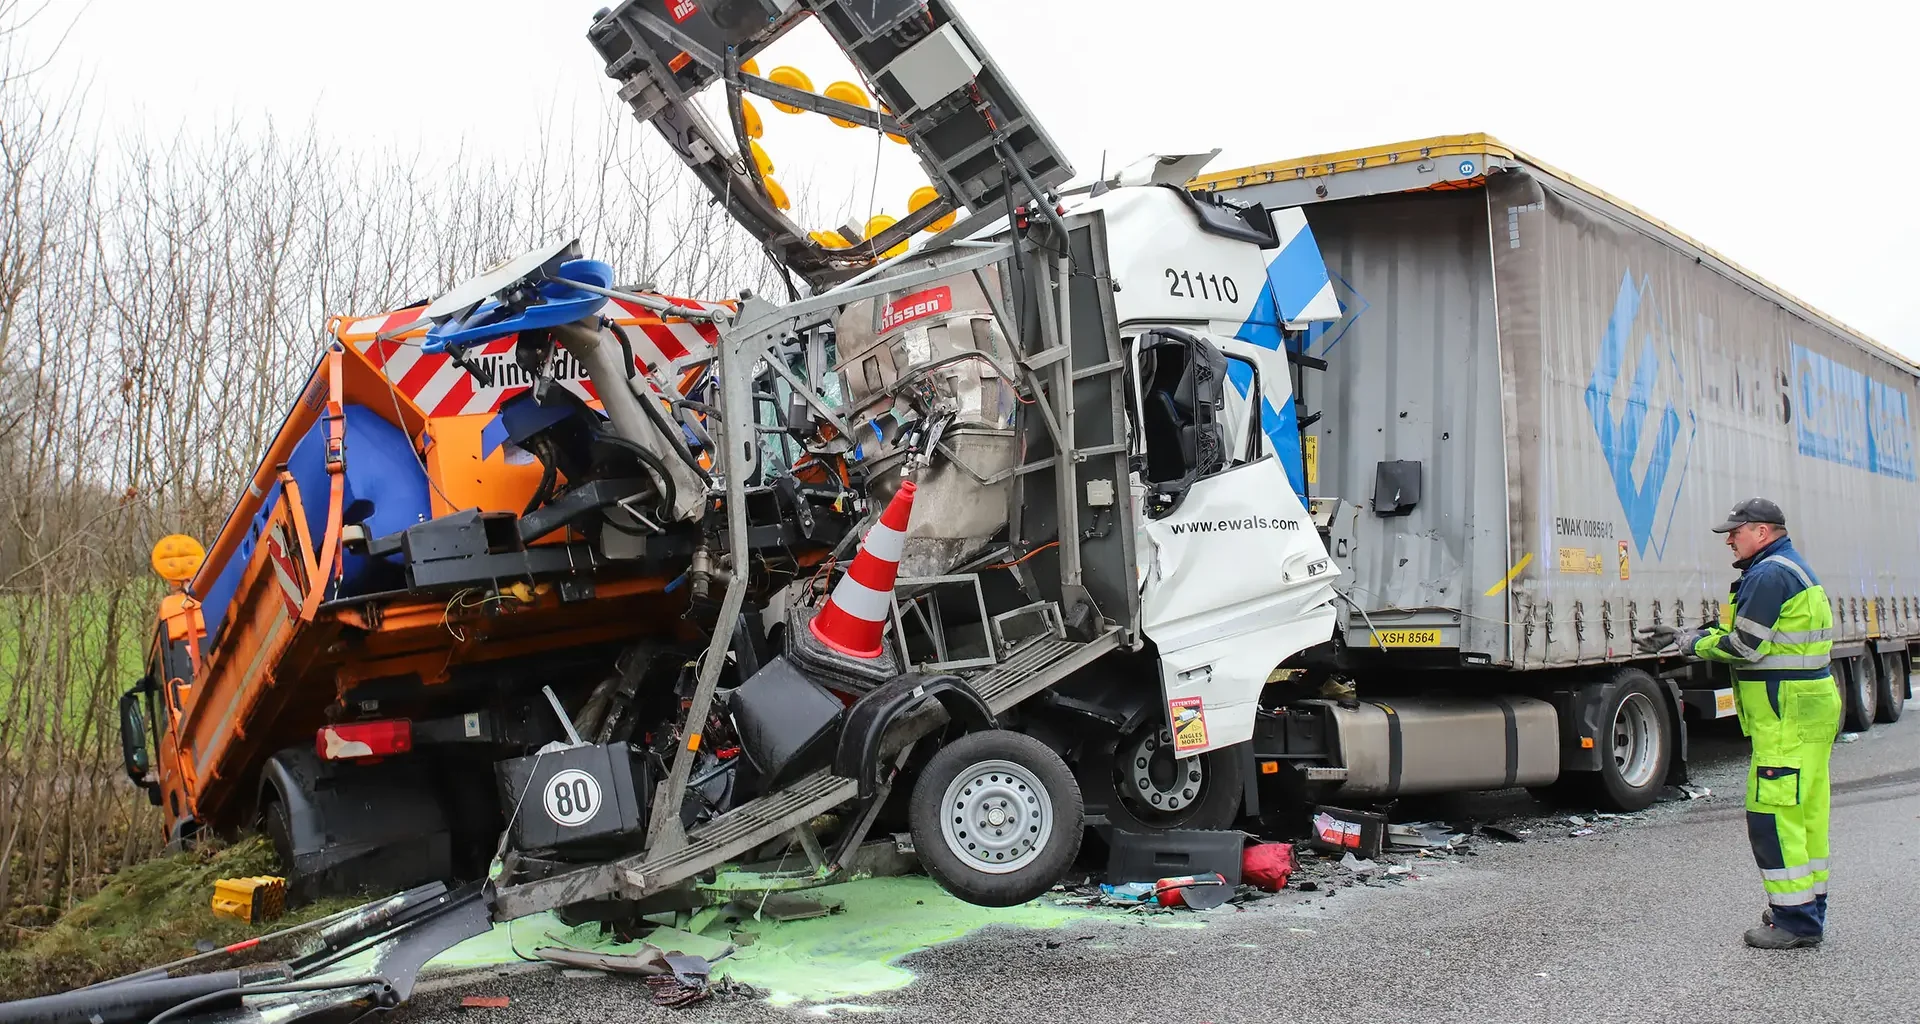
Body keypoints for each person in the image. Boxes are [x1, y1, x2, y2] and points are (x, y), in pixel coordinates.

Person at [1635, 497, 1839, 950]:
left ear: (1762, 532)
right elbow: (1741, 626)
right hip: (1804, 709)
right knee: (1805, 813)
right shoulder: (1782, 569)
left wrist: (1688, 646)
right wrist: (1685, 632)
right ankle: (1808, 907)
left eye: (1736, 531)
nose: (1729, 539)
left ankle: (1796, 922)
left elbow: (1745, 645)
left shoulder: (1769, 574)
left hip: (1786, 714)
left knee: (1771, 814)